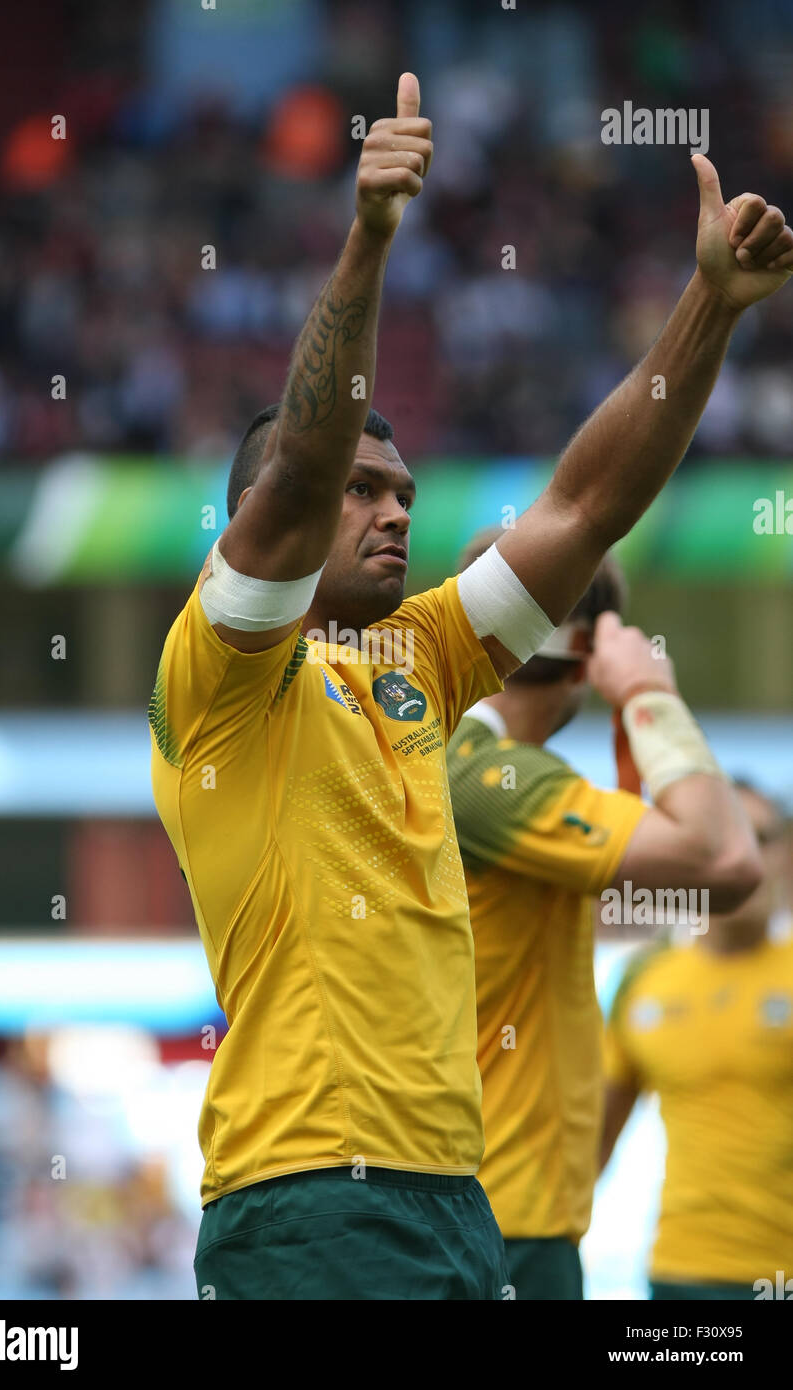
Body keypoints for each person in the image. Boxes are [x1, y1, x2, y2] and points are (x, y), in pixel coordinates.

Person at [149, 68, 793, 1299]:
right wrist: (369, 238)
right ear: (257, 521)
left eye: (403, 492)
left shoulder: (417, 662)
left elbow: (585, 504)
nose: (393, 509)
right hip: (305, 1196)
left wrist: (710, 309)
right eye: (363, 491)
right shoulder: (220, 673)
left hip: (458, 1195)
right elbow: (298, 469)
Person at [446, 536, 761, 1299]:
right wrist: (651, 698)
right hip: (506, 1217)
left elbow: (651, 859)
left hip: (478, 1206)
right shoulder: (494, 778)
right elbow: (727, 864)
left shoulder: (455, 760)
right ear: (588, 651)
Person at [600, 782, 793, 1300]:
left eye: (761, 837)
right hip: (679, 1273)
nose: (745, 855)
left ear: (786, 855)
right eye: (724, 838)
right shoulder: (644, 983)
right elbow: (591, 1146)